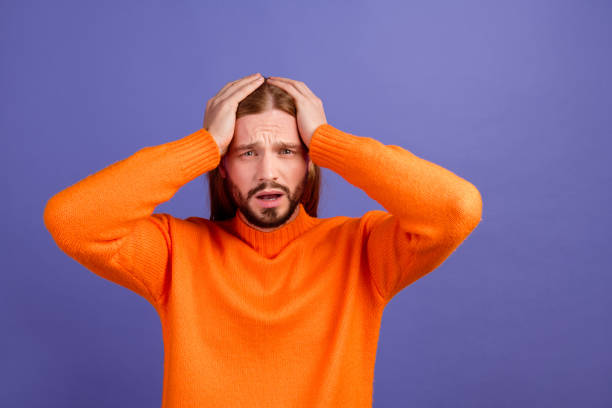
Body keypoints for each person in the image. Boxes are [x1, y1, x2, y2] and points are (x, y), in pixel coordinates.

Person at [43, 72, 483, 407]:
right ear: (222, 166)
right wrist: (202, 144)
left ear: (310, 163)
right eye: (247, 152)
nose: (268, 173)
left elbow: (455, 208)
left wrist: (328, 141)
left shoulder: (363, 250)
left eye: (287, 151)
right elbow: (72, 221)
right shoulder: (176, 251)